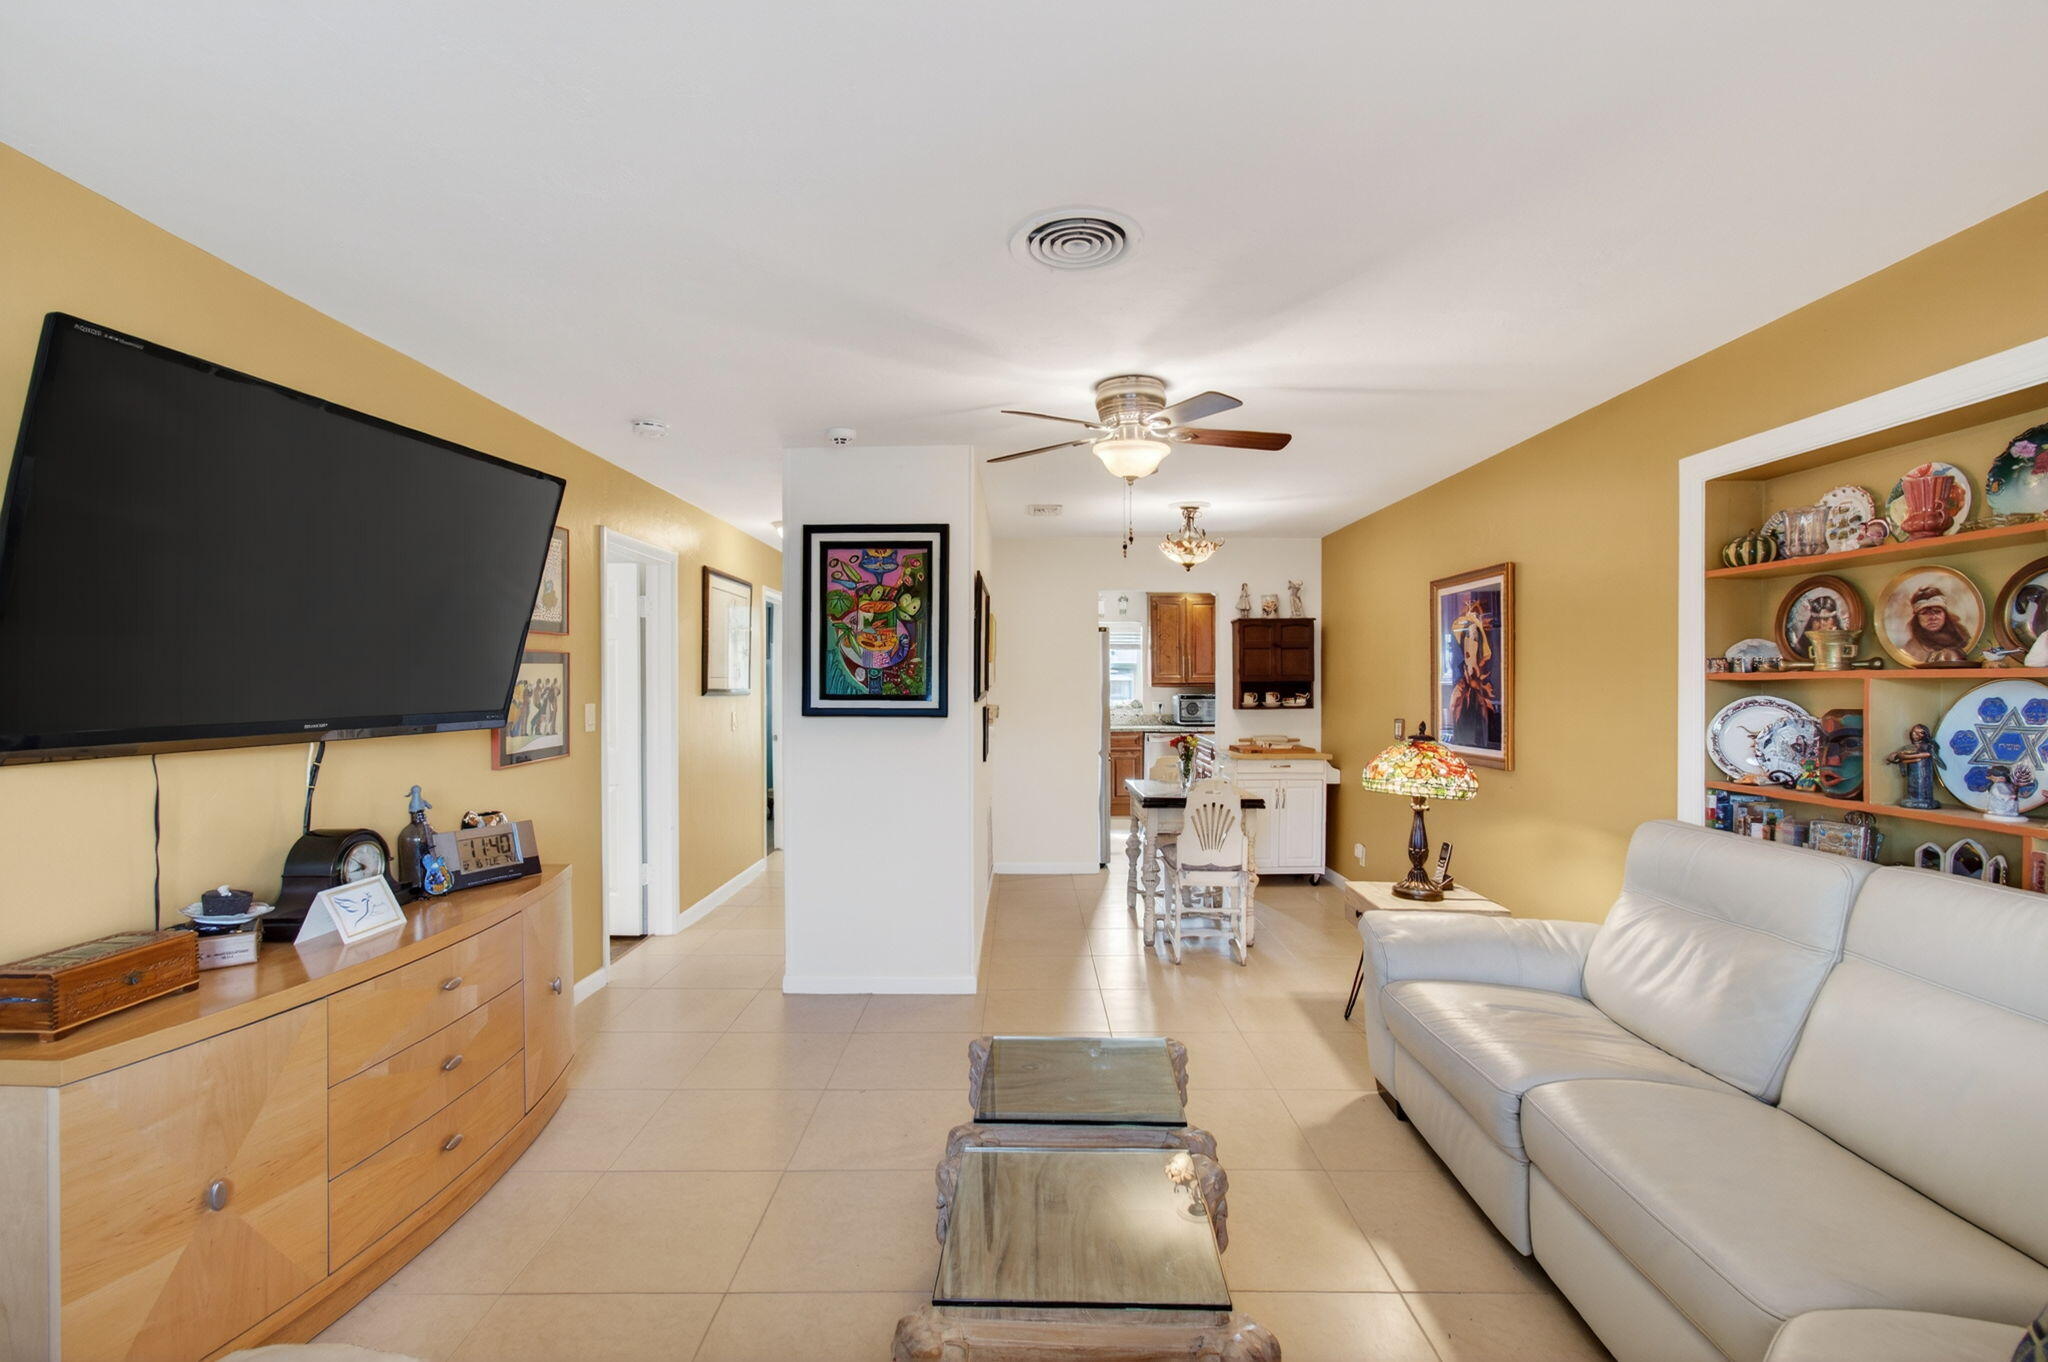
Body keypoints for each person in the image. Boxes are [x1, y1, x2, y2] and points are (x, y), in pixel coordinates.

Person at [1902, 584, 1973, 663]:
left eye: (1937, 611)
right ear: (1917, 618)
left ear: (1945, 615)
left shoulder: (1962, 637)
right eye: (1925, 613)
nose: (1932, 617)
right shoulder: (1911, 649)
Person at [1885, 722, 1938, 809]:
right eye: (1913, 732)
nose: (1915, 734)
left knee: (1923, 786)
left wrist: (1906, 757)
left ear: (1925, 734)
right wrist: (1900, 757)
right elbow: (1893, 758)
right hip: (1913, 775)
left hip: (1924, 773)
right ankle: (1913, 798)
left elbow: (1928, 754)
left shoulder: (1927, 746)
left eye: (1919, 732)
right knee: (1913, 786)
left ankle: (1924, 799)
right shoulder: (1908, 748)